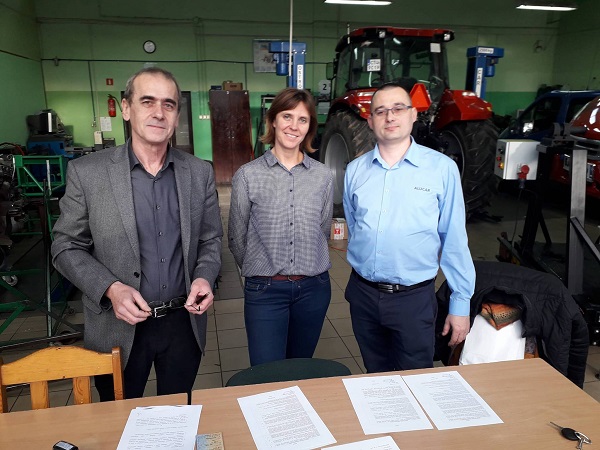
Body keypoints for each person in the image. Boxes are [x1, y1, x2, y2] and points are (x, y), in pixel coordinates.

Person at [51, 67, 222, 400]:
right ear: (126, 109)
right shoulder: (88, 173)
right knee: (118, 417)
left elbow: (210, 239)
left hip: (182, 323)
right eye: (147, 101)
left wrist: (204, 276)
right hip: (117, 325)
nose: (159, 112)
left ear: (176, 115)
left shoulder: (199, 172)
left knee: (177, 414)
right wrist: (110, 288)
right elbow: (65, 246)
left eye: (169, 104)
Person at [343, 81, 475, 373]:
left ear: (414, 114)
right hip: (364, 296)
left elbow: (453, 239)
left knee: (416, 380)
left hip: (413, 300)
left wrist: (460, 303)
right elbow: (356, 226)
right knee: (375, 377)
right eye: (380, 111)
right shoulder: (355, 171)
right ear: (370, 120)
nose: (390, 116)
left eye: (398, 108)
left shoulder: (441, 169)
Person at [228, 87, 334, 366]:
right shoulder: (248, 175)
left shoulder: (323, 176)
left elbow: (322, 230)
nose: (294, 126)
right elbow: (236, 237)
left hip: (314, 289)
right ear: (273, 120)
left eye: (303, 119)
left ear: (310, 127)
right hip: (265, 291)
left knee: (301, 366)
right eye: (287, 116)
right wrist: (261, 268)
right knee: (267, 373)